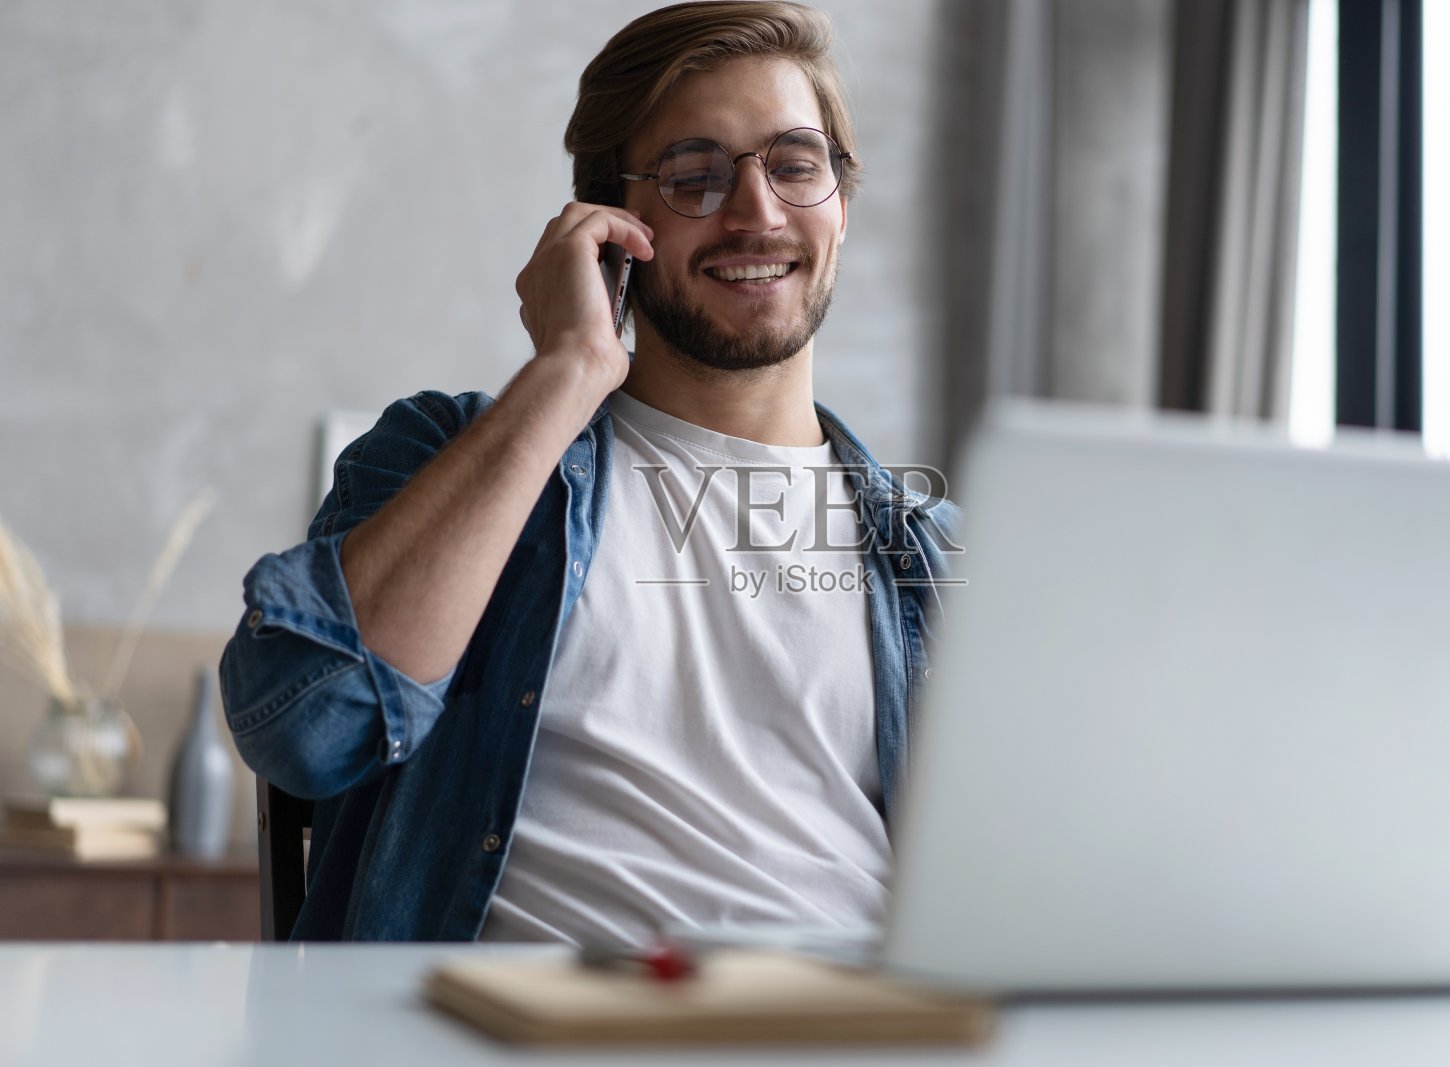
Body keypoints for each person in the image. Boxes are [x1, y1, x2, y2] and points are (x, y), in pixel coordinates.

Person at [220, 0, 959, 943]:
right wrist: (567, 372)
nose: (757, 211)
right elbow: (305, 722)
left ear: (842, 209)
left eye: (795, 165)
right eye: (695, 175)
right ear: (611, 223)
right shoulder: (449, 457)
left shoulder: (933, 558)